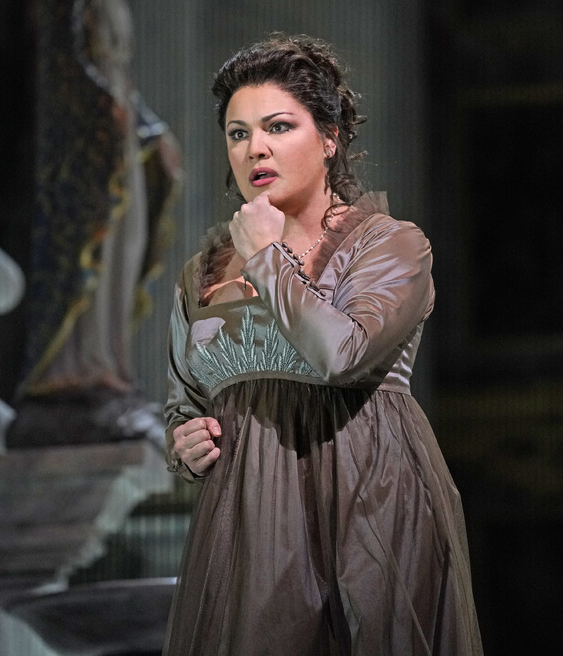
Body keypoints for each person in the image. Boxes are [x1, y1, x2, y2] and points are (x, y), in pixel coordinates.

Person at [163, 35, 483, 655]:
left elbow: (341, 355)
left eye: (278, 126)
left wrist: (267, 258)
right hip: (248, 517)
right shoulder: (201, 273)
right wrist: (185, 445)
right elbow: (183, 402)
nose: (255, 147)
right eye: (237, 133)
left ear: (329, 137)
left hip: (368, 500)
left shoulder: (389, 244)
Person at [6, 0, 182, 449]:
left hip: (119, 144)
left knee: (123, 253)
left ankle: (107, 369)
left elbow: (121, 80)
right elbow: (68, 66)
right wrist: (102, 105)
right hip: (83, 151)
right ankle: (68, 373)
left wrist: (153, 133)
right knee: (91, 251)